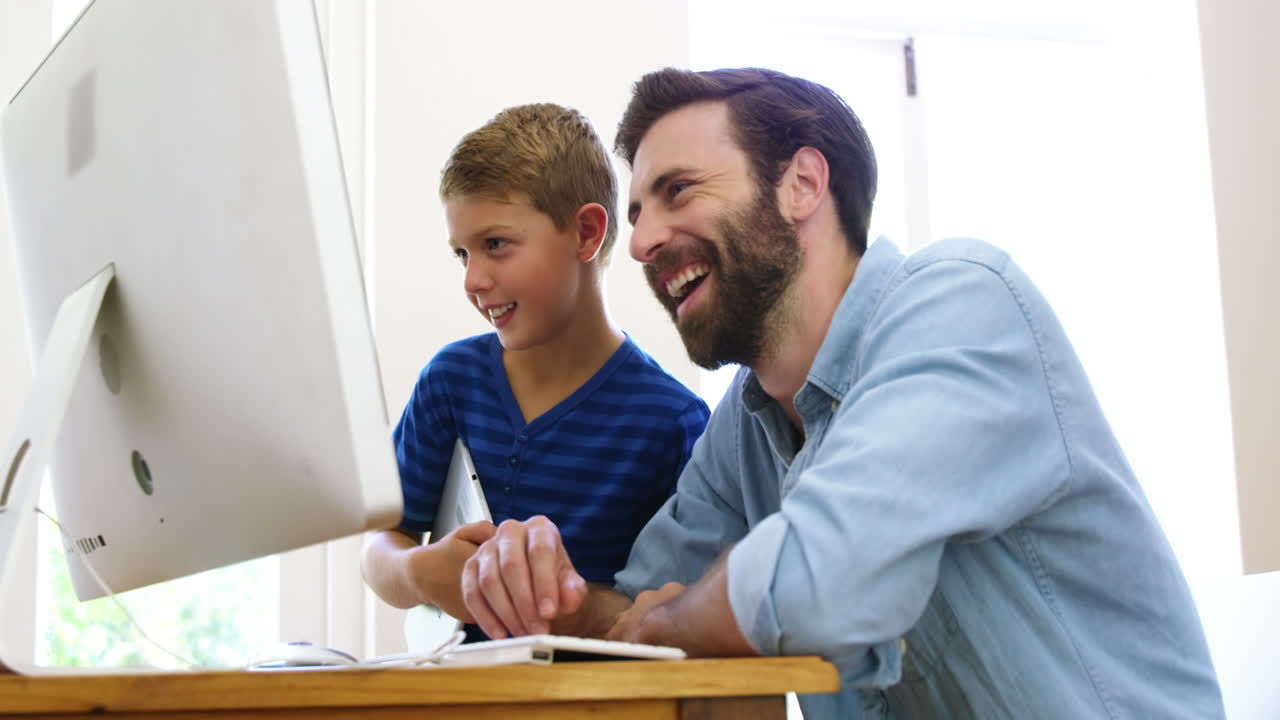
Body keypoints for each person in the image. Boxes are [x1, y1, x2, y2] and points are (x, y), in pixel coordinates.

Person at [459, 70, 1225, 718]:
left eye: (678, 191)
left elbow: (817, 585)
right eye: (636, 213)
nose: (641, 241)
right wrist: (549, 596)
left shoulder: (963, 303)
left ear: (802, 184)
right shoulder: (744, 427)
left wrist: (677, 617)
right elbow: (635, 615)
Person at [362, 103, 710, 643]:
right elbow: (381, 548)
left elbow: (674, 608)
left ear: (586, 233)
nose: (473, 279)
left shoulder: (674, 424)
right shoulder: (451, 382)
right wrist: (422, 571)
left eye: (496, 245)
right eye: (462, 254)